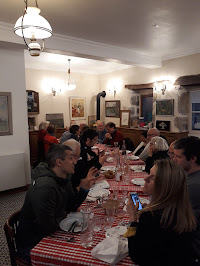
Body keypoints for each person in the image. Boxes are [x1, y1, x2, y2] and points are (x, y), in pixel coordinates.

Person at [16, 144, 98, 263]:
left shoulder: (64, 177)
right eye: (71, 158)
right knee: (82, 254)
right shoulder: (45, 187)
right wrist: (65, 215)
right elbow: (47, 228)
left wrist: (84, 189)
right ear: (59, 162)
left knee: (88, 244)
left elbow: (71, 205)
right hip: (33, 243)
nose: (75, 162)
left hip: (50, 231)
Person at [126, 159, 197, 266]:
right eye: (149, 173)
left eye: (153, 178)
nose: (145, 178)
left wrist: (132, 218)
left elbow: (137, 256)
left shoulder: (151, 217)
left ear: (164, 187)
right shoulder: (184, 211)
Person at [174, 136, 200, 262]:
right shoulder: (187, 173)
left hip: (190, 244)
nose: (174, 160)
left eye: (178, 157)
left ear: (193, 158)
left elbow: (179, 220)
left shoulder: (194, 185)